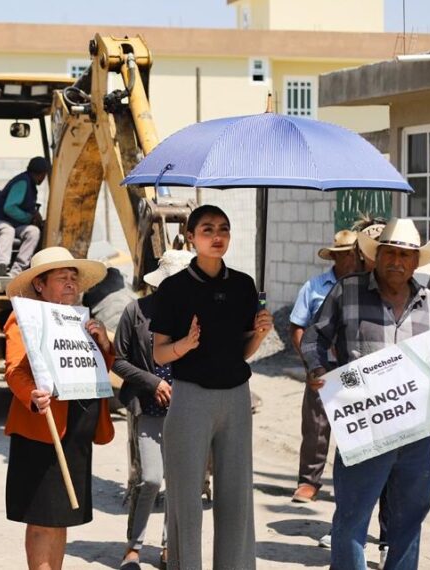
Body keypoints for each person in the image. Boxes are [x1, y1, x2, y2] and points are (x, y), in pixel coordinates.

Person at [303, 219, 430, 570]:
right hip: (364, 428)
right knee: (352, 518)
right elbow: (314, 338)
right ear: (377, 255)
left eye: (406, 255)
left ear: (416, 262)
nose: (397, 261)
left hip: (415, 435)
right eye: (391, 253)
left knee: (409, 520)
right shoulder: (346, 291)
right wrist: (317, 369)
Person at [150, 205, 273, 570]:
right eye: (207, 229)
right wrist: (183, 347)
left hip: (236, 398)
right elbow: (159, 354)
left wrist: (261, 334)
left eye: (223, 228)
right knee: (185, 500)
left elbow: (243, 352)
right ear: (191, 236)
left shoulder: (243, 285)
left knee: (236, 497)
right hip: (190, 398)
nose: (217, 236)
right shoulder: (173, 288)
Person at [3, 247, 114, 570]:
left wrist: (104, 344)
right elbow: (15, 371)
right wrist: (33, 396)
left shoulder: (82, 321)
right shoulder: (24, 317)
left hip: (76, 430)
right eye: (62, 278)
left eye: (73, 278)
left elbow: (98, 369)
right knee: (41, 518)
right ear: (39, 284)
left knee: (61, 516)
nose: (70, 284)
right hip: (42, 429)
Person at [113, 248, 193, 570]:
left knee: (177, 481)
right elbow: (118, 360)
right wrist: (153, 383)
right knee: (150, 479)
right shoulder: (136, 312)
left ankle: (167, 547)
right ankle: (133, 547)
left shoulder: (196, 318)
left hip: (187, 410)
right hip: (148, 408)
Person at [289, 230, 359, 503]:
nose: (352, 260)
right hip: (322, 367)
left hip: (354, 367)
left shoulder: (363, 288)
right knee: (316, 427)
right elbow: (297, 327)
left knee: (356, 426)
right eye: (347, 255)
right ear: (336, 257)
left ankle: (353, 483)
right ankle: (308, 482)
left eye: (355, 255)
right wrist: (311, 364)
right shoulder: (315, 287)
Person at [0, 156, 47, 276]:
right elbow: (9, 208)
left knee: (33, 232)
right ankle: (0, 265)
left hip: (13, 223)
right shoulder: (23, 182)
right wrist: (29, 218)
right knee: (8, 230)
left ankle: (17, 271)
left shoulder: (30, 185)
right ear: (42, 174)